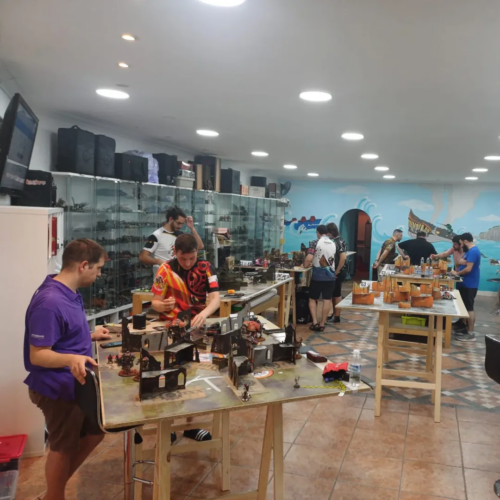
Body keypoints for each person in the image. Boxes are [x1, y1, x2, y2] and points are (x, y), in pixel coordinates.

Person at [24, 239, 112, 500]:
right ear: (83, 265)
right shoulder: (50, 302)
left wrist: (90, 336)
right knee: (62, 447)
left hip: (77, 383)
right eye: (98, 268)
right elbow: (38, 355)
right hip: (57, 387)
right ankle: (54, 496)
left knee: (96, 431)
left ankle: (54, 489)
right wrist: (71, 358)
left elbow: (63, 334)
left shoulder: (69, 292)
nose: (99, 274)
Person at [151, 234, 221, 441]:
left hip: (196, 327)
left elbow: (216, 299)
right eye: (183, 259)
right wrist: (162, 305)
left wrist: (204, 313)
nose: (188, 263)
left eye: (192, 258)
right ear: (175, 252)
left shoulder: (206, 268)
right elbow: (155, 302)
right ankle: (169, 428)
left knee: (195, 376)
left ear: (197, 252)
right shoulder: (165, 270)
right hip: (171, 329)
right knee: (169, 377)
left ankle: (191, 426)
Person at [139, 206, 204, 275]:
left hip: (178, 276)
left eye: (182, 224)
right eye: (178, 223)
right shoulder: (157, 235)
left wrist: (192, 228)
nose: (180, 226)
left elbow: (200, 246)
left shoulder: (180, 235)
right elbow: (143, 257)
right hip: (163, 277)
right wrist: (158, 261)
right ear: (171, 219)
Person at [303, 225, 336, 332]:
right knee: (327, 299)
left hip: (318, 276)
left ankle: (315, 322)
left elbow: (309, 257)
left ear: (318, 232)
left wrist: (305, 265)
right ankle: (322, 324)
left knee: (312, 298)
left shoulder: (315, 242)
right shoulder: (332, 243)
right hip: (331, 276)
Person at [450, 233, 481, 342]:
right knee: (464, 307)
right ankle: (464, 326)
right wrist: (462, 262)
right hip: (465, 283)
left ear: (465, 241)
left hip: (469, 284)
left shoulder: (473, 251)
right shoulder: (470, 251)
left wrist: (457, 273)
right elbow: (461, 261)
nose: (461, 245)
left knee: (469, 308)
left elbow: (468, 269)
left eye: (462, 243)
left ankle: (471, 333)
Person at [326, 222, 347, 323]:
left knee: (337, 294)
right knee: (334, 293)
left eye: (328, 233)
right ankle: (334, 314)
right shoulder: (339, 240)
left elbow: (343, 258)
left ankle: (337, 316)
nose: (327, 235)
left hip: (339, 271)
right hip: (338, 271)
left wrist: (337, 271)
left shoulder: (338, 242)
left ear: (331, 232)